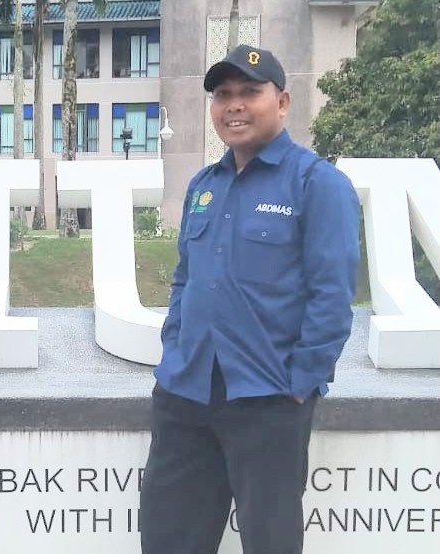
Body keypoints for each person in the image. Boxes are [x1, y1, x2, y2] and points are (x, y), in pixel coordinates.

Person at [139, 44, 360, 554]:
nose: (233, 105)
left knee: (269, 541)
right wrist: (174, 348)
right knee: (168, 539)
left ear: (281, 102)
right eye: (222, 94)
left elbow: (331, 296)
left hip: (269, 399)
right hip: (186, 394)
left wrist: (300, 383)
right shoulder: (203, 186)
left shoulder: (317, 184)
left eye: (249, 92)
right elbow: (185, 279)